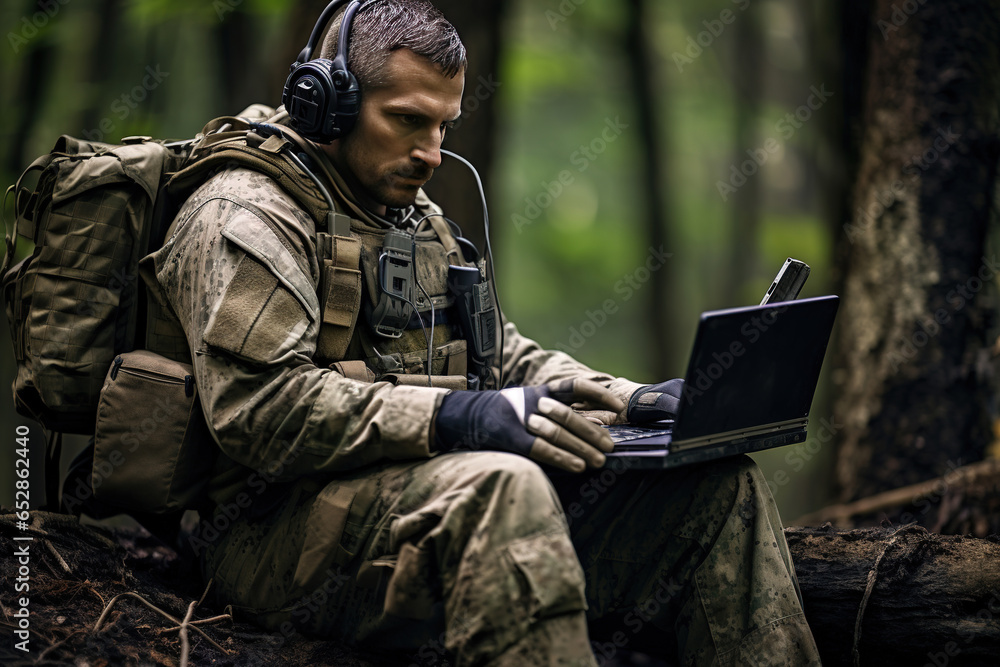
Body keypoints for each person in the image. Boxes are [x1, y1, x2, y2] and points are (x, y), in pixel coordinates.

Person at [140, 0, 823, 664]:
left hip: (411, 500)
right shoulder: (247, 215)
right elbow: (261, 408)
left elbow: (501, 358)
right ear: (330, 104)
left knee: (715, 488)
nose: (432, 152)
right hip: (269, 535)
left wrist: (629, 397)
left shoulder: (408, 211)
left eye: (444, 126)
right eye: (407, 120)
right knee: (503, 485)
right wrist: (462, 415)